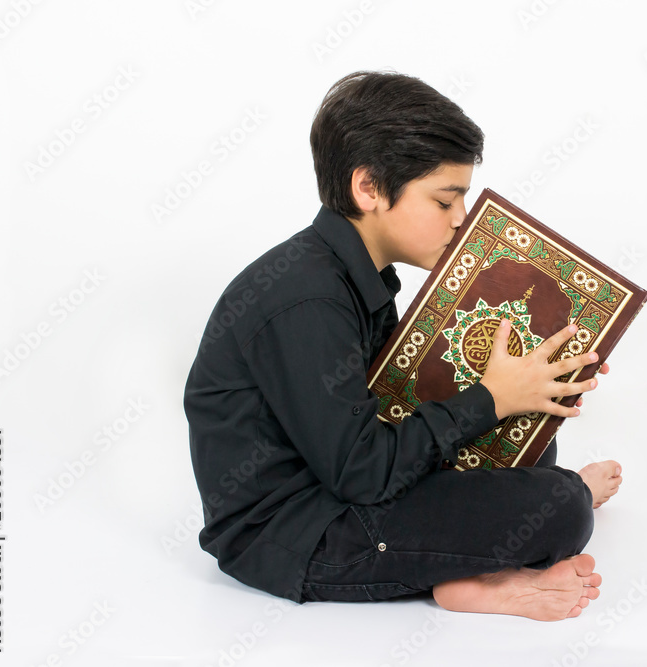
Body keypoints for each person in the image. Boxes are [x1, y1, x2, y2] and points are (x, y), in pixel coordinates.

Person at [183, 70, 623, 622]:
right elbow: (362, 474)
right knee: (560, 508)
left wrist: (536, 377)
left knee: (530, 439)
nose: (462, 221)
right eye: (445, 201)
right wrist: (489, 399)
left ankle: (466, 566)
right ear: (368, 188)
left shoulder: (359, 276)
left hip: (342, 486)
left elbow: (393, 405)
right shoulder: (304, 301)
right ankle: (469, 579)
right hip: (297, 532)